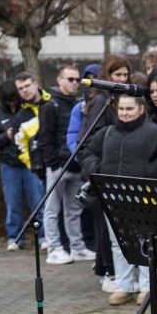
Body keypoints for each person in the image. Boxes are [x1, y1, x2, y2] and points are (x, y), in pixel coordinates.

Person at [81, 94, 157, 305]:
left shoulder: (155, 133)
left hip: (144, 198)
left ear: (141, 109)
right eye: (121, 109)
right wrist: (99, 171)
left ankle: (147, 287)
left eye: (129, 109)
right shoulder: (107, 132)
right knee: (118, 243)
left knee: (146, 243)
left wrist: (148, 173)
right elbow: (87, 153)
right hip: (113, 197)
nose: (124, 113)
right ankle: (124, 285)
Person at [74, 55, 131, 287]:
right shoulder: (101, 101)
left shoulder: (121, 98)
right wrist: (97, 170)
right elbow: (87, 142)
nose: (122, 79)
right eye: (117, 75)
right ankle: (109, 272)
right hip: (103, 173)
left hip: (118, 172)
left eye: (125, 75)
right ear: (107, 76)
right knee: (105, 229)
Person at [39, 66, 94, 264]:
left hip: (75, 166)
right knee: (52, 209)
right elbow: (44, 138)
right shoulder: (49, 106)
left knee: (74, 209)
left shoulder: (79, 105)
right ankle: (54, 248)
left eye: (76, 79)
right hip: (58, 166)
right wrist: (53, 163)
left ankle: (77, 248)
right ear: (59, 79)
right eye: (70, 79)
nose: (74, 83)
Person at [0, 73, 46, 251]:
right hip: (9, 165)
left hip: (30, 164)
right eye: (8, 101)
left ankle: (43, 236)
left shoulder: (27, 111)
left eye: (13, 100)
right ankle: (15, 237)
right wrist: (5, 136)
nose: (12, 104)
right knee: (12, 203)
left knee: (38, 201)